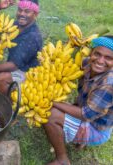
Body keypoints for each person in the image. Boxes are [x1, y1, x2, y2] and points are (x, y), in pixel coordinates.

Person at [43, 36, 113, 165]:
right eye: (97, 54)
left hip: (96, 128)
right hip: (89, 112)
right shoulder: (87, 63)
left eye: (108, 58)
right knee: (55, 108)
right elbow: (64, 66)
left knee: (50, 114)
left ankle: (62, 160)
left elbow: (85, 115)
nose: (100, 60)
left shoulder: (109, 84)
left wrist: (52, 101)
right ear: (90, 53)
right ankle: (79, 138)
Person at [0, 0, 42, 95]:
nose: (22, 14)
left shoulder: (33, 36)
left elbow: (13, 66)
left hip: (26, 73)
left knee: (2, 77)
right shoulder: (15, 25)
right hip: (12, 65)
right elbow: (1, 42)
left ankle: (8, 105)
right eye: (20, 10)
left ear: (35, 14)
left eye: (27, 11)